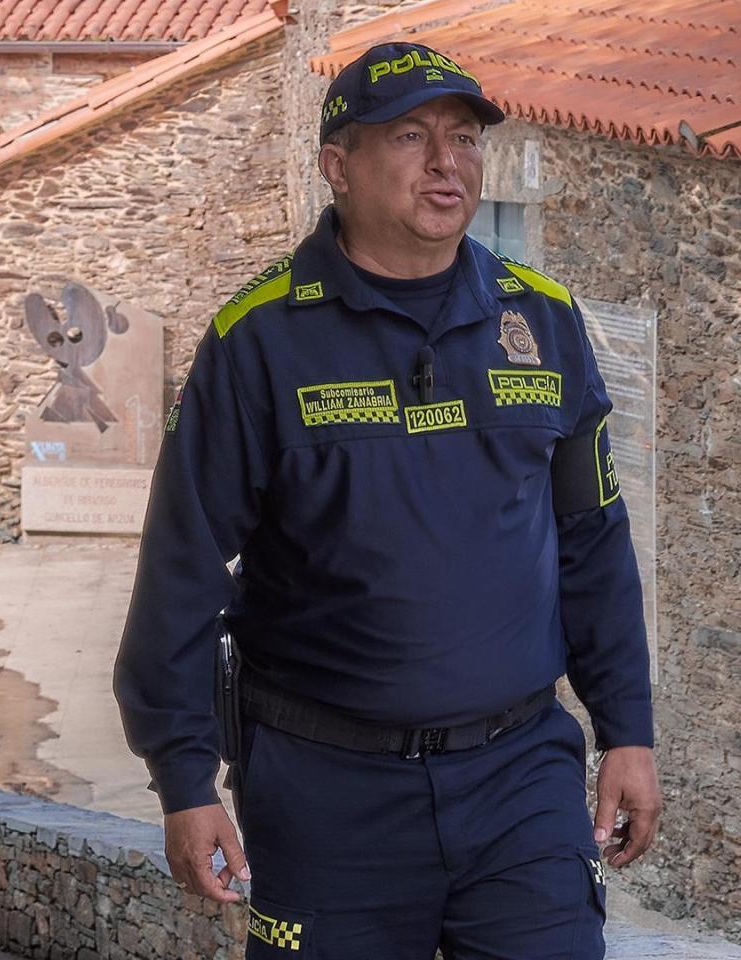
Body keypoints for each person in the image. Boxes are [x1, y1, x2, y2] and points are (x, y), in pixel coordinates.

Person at [113, 42, 660, 959]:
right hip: (327, 793)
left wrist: (628, 732)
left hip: (519, 775)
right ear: (338, 166)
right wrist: (185, 779)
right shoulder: (258, 342)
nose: (449, 163)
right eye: (410, 136)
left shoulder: (545, 322)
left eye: (464, 138)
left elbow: (593, 545)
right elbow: (182, 568)